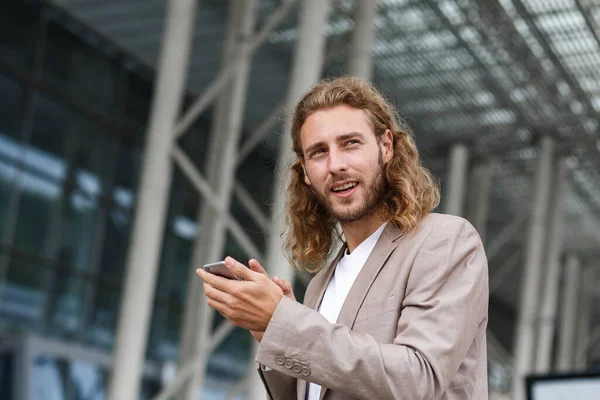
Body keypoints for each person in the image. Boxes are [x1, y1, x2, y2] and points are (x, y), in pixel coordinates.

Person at [196, 76, 489, 400]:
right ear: (306, 172)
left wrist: (286, 322)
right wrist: (272, 330)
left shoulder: (445, 241)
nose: (336, 165)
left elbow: (417, 379)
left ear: (386, 146)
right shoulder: (322, 282)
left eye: (350, 143)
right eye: (319, 152)